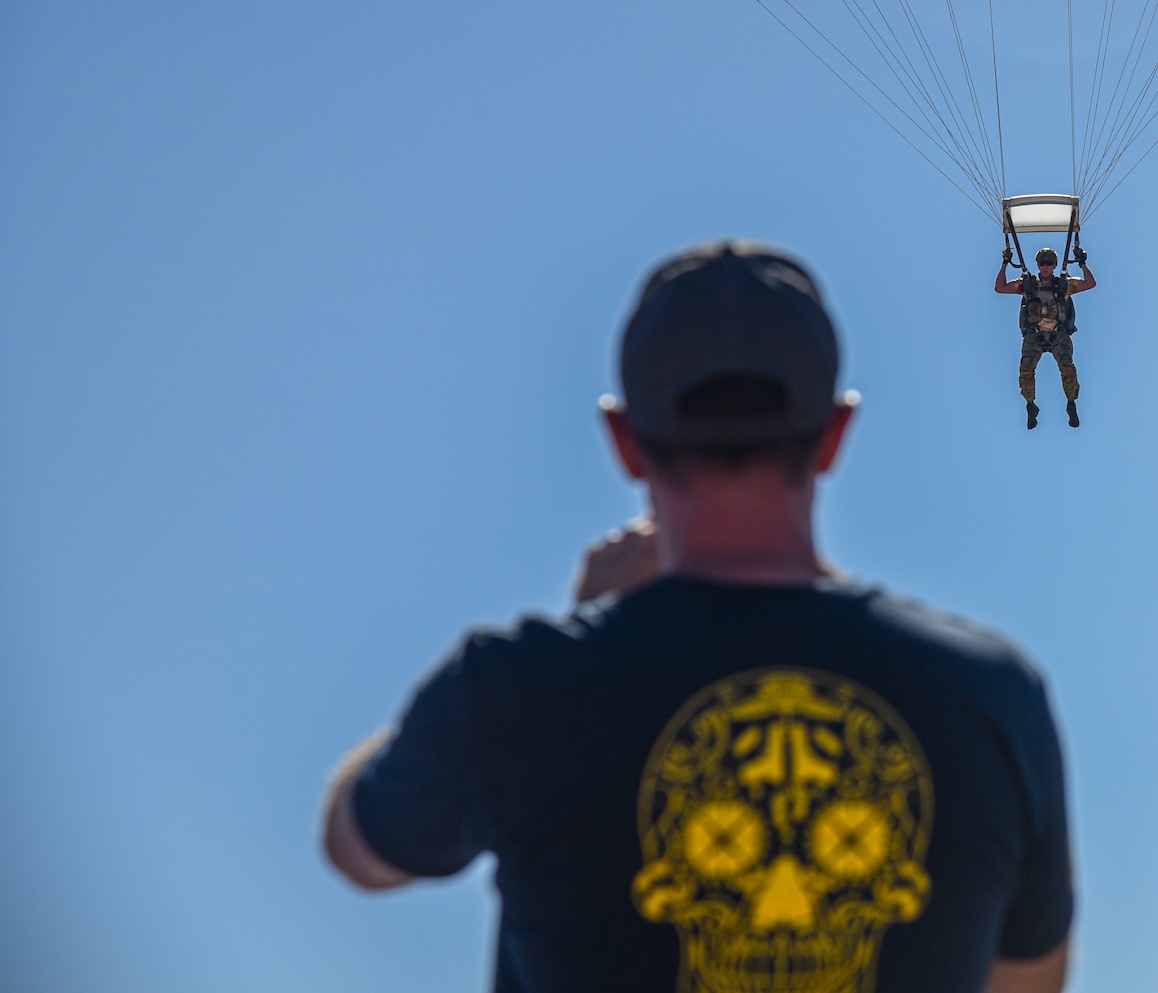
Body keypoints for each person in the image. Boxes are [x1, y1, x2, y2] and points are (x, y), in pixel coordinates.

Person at [322, 241, 1074, 993]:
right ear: (836, 435)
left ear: (623, 443)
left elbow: (357, 846)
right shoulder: (994, 695)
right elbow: (1029, 985)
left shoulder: (509, 689)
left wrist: (581, 637)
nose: (782, 911)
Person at [993, 245, 1095, 430]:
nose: (1045, 267)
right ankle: (1031, 405)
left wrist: (1082, 263)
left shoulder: (1064, 285)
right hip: (1035, 334)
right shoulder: (1028, 286)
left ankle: (1071, 403)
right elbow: (1000, 288)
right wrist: (1005, 263)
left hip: (1058, 333)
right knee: (1025, 368)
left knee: (1066, 364)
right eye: (1042, 263)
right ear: (1038, 265)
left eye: (1049, 263)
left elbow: (1090, 283)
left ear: (1055, 265)